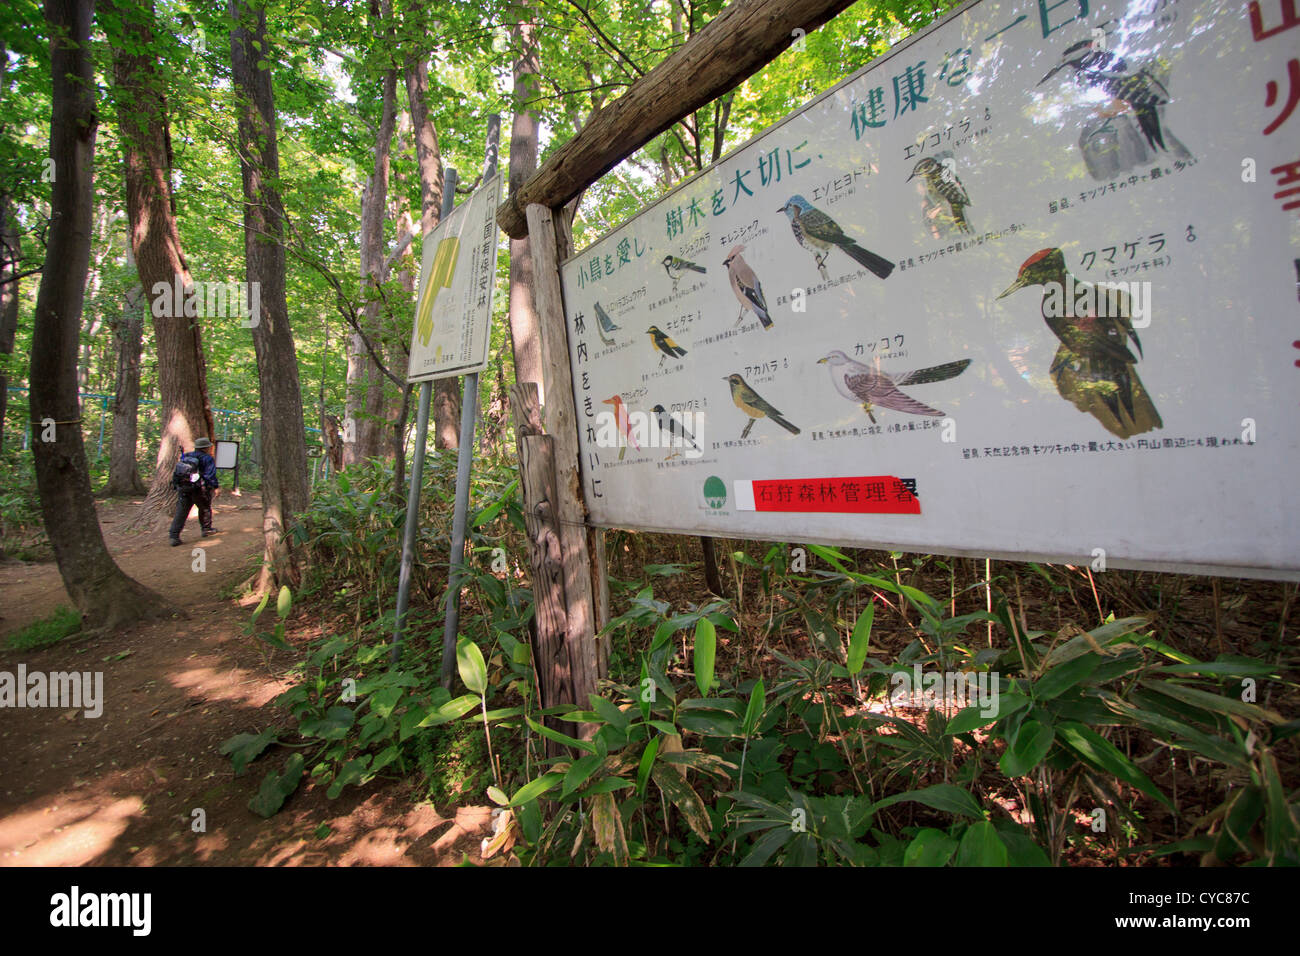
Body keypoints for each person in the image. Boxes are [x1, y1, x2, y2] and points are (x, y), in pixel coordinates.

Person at [169, 437, 220, 546]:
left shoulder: (186, 456)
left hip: (184, 488)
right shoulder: (207, 458)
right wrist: (215, 487)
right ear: (206, 448)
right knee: (205, 508)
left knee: (181, 512)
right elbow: (209, 475)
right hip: (200, 489)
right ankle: (206, 529)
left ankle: (174, 536)